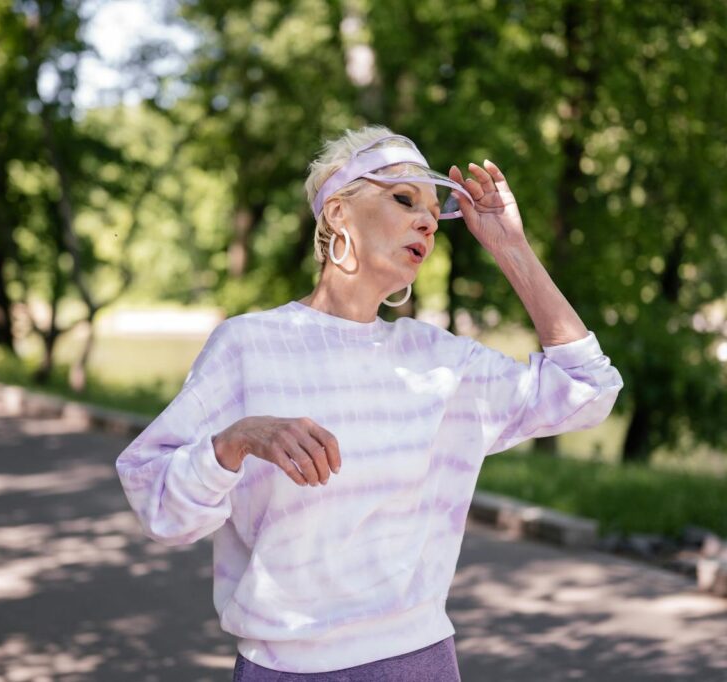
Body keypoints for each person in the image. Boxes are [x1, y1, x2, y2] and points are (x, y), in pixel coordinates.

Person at [114, 125, 624, 680]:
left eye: (434, 211)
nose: (428, 221)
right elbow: (158, 502)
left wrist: (511, 247)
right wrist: (237, 440)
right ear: (337, 213)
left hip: (422, 661)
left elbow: (588, 391)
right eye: (403, 199)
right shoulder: (248, 346)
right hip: (286, 669)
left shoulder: (439, 360)